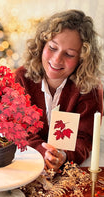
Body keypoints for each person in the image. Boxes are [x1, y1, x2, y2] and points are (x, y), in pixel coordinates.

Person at [15, 9, 103, 171]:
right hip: (26, 164)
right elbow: (18, 129)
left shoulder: (89, 89)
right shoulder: (22, 78)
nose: (56, 59)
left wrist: (63, 155)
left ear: (82, 59)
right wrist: (43, 152)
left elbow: (84, 138)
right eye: (53, 48)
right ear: (42, 44)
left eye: (69, 54)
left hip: (68, 169)